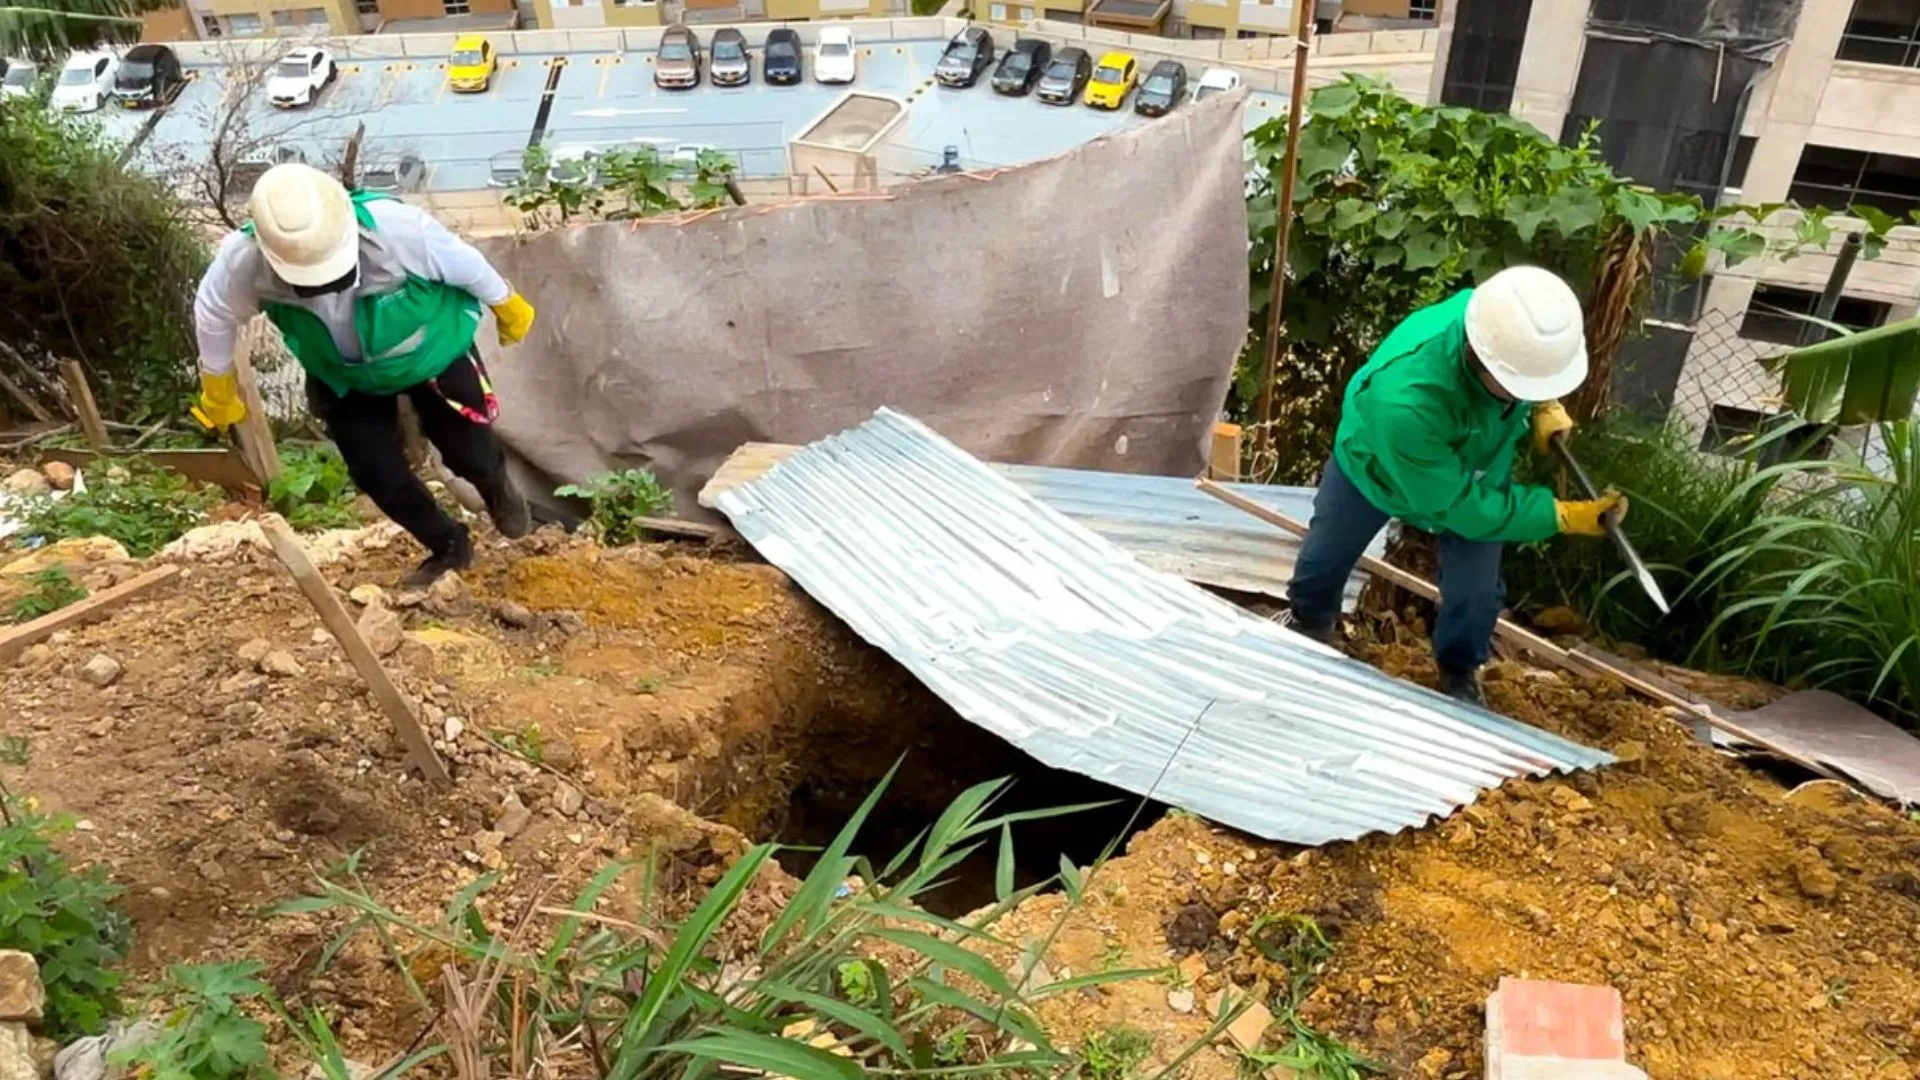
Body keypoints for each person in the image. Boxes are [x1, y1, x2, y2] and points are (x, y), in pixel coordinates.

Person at [1282, 265, 1626, 706]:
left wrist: (1543, 402)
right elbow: (1461, 506)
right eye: (1525, 386)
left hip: (1477, 463)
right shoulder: (1405, 402)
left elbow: (1523, 360)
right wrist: (1557, 515)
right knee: (1324, 561)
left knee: (1476, 595)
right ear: (1482, 360)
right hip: (1375, 466)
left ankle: (1459, 672)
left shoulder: (1496, 318)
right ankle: (1309, 627)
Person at [192, 162, 538, 586]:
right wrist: (218, 384)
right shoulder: (243, 262)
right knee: (377, 473)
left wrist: (507, 304)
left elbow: (466, 265)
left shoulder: (398, 230)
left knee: (470, 453)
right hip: (344, 375)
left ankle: (496, 488)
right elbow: (213, 316)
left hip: (432, 354)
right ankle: (448, 545)